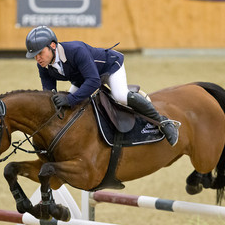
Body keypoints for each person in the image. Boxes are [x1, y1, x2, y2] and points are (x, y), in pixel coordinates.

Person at [25, 26, 179, 146]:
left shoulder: (76, 51)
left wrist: (70, 99)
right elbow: (49, 92)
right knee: (67, 106)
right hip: (83, 79)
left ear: (52, 45)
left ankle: (163, 122)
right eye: (34, 56)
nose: (37, 58)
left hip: (109, 67)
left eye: (40, 53)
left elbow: (94, 82)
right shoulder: (44, 64)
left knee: (120, 96)